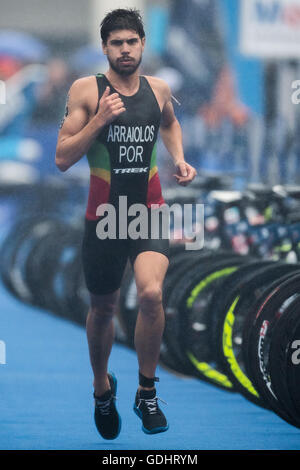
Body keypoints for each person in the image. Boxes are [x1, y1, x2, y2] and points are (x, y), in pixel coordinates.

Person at [55, 8, 196, 440]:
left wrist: (179, 158)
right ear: (105, 49)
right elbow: (61, 158)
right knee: (102, 310)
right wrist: (99, 120)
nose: (125, 49)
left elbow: (169, 123)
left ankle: (146, 390)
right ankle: (102, 388)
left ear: (142, 45)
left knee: (152, 294)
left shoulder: (159, 89)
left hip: (148, 211)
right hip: (103, 217)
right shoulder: (86, 90)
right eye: (116, 43)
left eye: (131, 41)